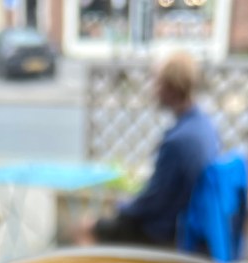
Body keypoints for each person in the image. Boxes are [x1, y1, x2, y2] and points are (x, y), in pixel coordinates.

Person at [75, 52, 219, 248]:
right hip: (189, 220)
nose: (154, 90)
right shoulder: (204, 125)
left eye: (157, 83)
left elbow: (154, 200)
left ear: (171, 87)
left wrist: (123, 208)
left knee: (86, 228)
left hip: (167, 231)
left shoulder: (177, 141)